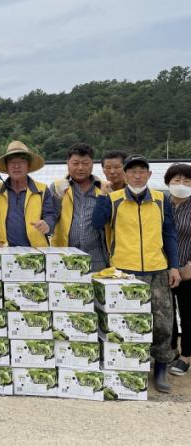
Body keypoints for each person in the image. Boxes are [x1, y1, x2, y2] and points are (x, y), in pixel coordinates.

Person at [93, 155, 182, 393]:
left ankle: (160, 368)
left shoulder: (161, 200)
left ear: (149, 174)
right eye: (132, 171)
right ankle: (130, 366)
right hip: (124, 271)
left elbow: (169, 234)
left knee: (163, 323)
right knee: (127, 322)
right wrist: (102, 195)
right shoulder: (113, 199)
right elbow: (96, 223)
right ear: (125, 175)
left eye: (142, 171)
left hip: (157, 269)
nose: (137, 175)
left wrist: (174, 266)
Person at [50, 143, 109, 272]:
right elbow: (50, 217)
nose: (80, 168)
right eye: (75, 163)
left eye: (85, 163)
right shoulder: (57, 186)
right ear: (68, 164)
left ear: (92, 164)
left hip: (96, 259)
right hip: (64, 257)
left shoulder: (104, 188)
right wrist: (58, 198)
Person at [0, 141, 56, 247]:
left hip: (37, 251)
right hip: (4, 251)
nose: (17, 166)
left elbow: (50, 215)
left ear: (28, 166)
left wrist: (47, 224)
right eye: (12, 162)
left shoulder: (42, 190)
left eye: (21, 162)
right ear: (6, 167)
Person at [164, 163, 191, 376]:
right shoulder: (161, 203)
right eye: (177, 180)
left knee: (187, 313)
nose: (181, 184)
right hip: (162, 269)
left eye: (187, 181)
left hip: (188, 270)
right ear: (168, 182)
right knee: (167, 314)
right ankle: (171, 350)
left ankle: (186, 356)